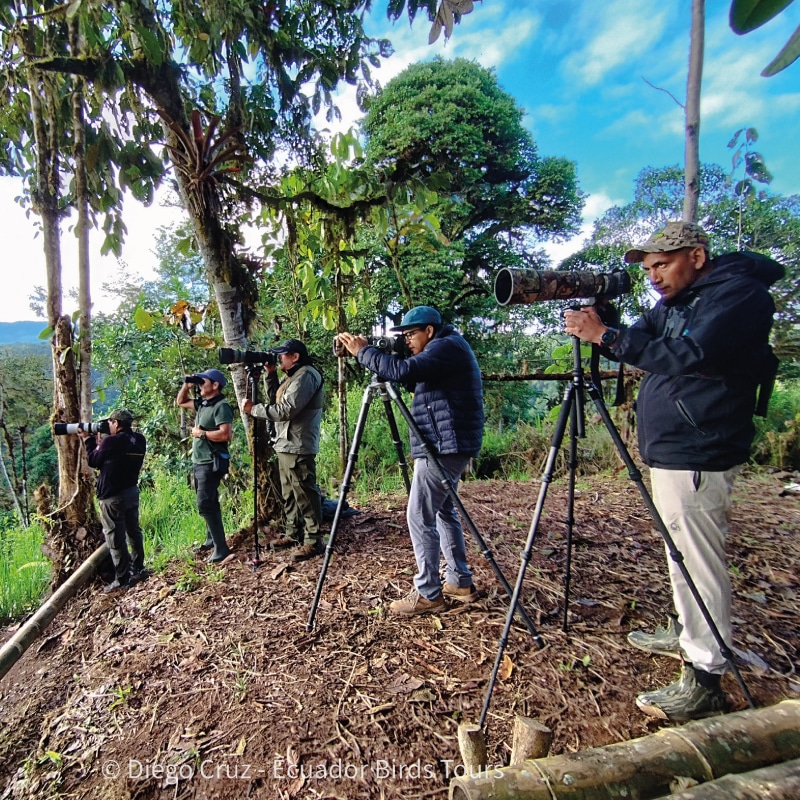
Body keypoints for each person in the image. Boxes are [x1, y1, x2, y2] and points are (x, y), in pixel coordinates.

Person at [564, 221, 784, 721]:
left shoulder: (737, 296)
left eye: (662, 264)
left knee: (699, 560)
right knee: (680, 549)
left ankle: (706, 677)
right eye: (648, 269)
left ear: (698, 257)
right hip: (676, 447)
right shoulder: (681, 301)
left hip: (700, 447)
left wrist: (605, 336)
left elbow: (689, 355)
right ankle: (688, 631)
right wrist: (607, 322)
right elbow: (640, 336)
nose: (654, 277)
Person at [338, 306, 484, 616]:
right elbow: (410, 377)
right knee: (443, 510)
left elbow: (405, 372)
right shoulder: (446, 348)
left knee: (418, 515)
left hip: (444, 445)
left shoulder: (447, 346)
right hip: (447, 443)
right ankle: (458, 581)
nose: (406, 341)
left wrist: (363, 352)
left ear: (429, 331)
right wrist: (379, 358)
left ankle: (428, 592)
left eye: (410, 334)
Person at [240, 339, 325, 562]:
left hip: (298, 443)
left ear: (295, 356)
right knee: (290, 494)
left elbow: (286, 410)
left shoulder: (306, 375)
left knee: (304, 493)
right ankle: (293, 533)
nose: (279, 359)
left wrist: (254, 410)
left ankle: (313, 540)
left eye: (282, 355)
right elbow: (276, 399)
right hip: (285, 443)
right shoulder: (293, 377)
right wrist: (269, 374)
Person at [79, 409, 148, 592]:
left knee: (114, 537)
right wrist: (102, 444)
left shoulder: (112, 441)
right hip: (131, 492)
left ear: (116, 423)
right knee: (134, 531)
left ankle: (122, 578)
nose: (108, 425)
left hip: (112, 496)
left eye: (110, 422)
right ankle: (139, 568)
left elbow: (94, 460)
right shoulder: (139, 439)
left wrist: (88, 440)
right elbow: (113, 458)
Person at [176, 368, 235, 564]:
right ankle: (212, 539)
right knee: (208, 499)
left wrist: (202, 434)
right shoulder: (203, 403)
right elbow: (181, 402)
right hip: (200, 460)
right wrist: (187, 384)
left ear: (215, 385)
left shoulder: (221, 406)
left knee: (205, 503)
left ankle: (221, 548)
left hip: (211, 461)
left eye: (204, 382)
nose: (200, 385)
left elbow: (225, 434)